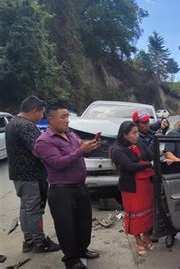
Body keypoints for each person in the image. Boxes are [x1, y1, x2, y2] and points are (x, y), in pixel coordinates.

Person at [34, 103, 100, 269]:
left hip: (80, 186)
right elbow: (57, 163)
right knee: (66, 226)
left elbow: (80, 148)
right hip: (61, 191)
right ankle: (71, 259)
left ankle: (82, 249)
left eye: (67, 116)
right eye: (63, 117)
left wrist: (91, 144)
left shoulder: (70, 134)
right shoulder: (44, 141)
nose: (67, 120)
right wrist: (81, 151)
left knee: (84, 222)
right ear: (50, 119)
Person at [6, 96, 60, 254]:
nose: (42, 116)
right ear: (34, 110)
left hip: (18, 174)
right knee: (34, 209)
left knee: (26, 208)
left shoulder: (13, 122)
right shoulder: (26, 126)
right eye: (41, 113)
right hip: (31, 175)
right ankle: (40, 241)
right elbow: (38, 150)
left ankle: (29, 240)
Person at [111, 121, 160, 257]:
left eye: (137, 132)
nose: (137, 135)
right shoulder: (117, 150)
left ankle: (146, 236)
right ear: (125, 135)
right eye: (134, 133)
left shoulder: (139, 143)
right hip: (131, 187)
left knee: (147, 212)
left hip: (145, 184)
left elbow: (151, 155)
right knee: (136, 215)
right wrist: (149, 164)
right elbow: (130, 166)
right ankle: (138, 240)